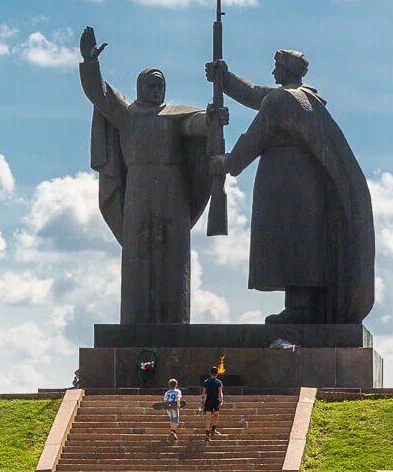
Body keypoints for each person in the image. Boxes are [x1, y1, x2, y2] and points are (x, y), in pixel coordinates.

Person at [206, 51, 374, 324]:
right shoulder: (305, 99)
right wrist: (225, 80)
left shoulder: (281, 100)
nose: (273, 73)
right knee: (300, 242)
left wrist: (224, 163)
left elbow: (252, 140)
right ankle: (303, 306)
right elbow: (259, 96)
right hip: (304, 185)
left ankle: (299, 309)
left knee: (291, 242)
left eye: (276, 67)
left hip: (286, 185)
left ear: (286, 70)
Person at [81, 26, 228, 324]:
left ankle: (175, 320)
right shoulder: (127, 114)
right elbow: (100, 95)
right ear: (139, 87)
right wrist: (90, 62)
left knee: (174, 255)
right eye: (151, 84)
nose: (157, 89)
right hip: (137, 188)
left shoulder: (175, 115)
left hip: (173, 191)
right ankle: (135, 319)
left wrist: (212, 118)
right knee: (137, 253)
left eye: (160, 85)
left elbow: (195, 125)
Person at [202, 366, 224, 439]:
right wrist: (222, 401)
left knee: (208, 417)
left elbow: (203, 393)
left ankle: (207, 432)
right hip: (215, 400)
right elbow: (220, 392)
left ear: (210, 373)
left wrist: (202, 401)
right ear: (217, 373)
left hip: (208, 401)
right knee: (216, 415)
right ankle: (213, 429)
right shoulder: (218, 382)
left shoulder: (206, 381)